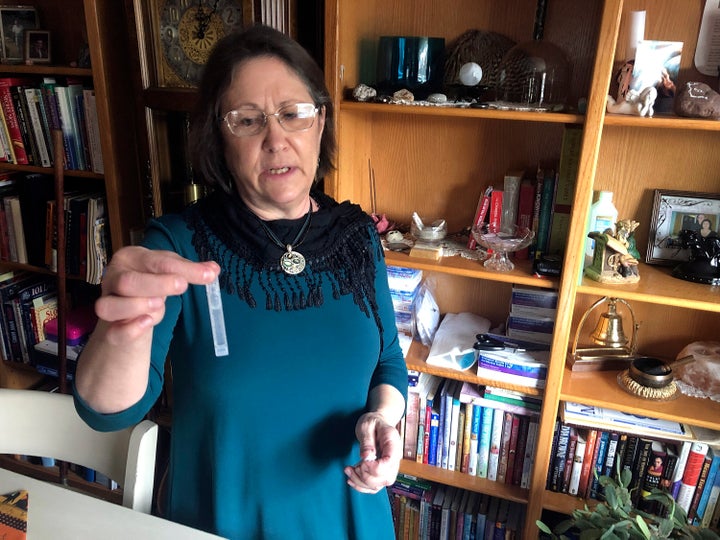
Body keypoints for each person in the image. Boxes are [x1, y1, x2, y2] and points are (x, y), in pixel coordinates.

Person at [73, 24, 408, 540]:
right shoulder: (180, 245)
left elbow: (388, 362)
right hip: (224, 521)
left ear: (320, 122)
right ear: (219, 139)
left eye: (293, 114)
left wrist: (384, 420)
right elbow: (106, 412)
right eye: (247, 120)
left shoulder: (358, 237)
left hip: (351, 515)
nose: (276, 140)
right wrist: (122, 332)